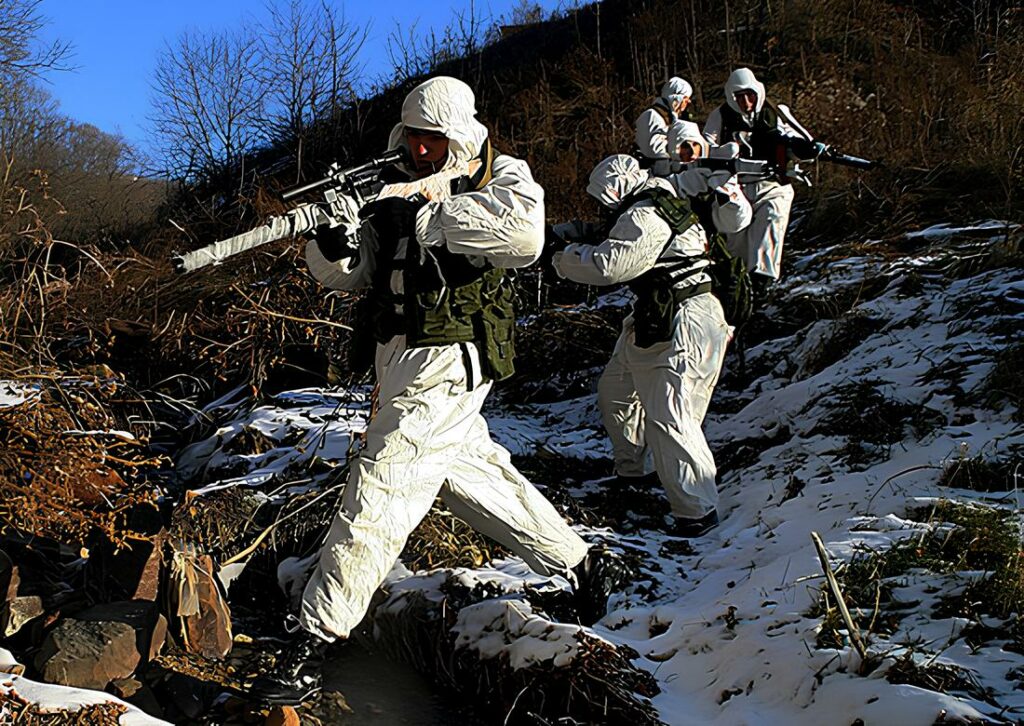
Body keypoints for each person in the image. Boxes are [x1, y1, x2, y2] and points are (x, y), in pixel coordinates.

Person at [248, 76, 625, 705]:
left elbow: (526, 240)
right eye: (414, 138)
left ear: (458, 135)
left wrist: (430, 211)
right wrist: (333, 243)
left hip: (452, 353)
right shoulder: (389, 179)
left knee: (385, 480)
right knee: (470, 475)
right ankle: (581, 563)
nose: (421, 151)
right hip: (397, 350)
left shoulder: (501, 175)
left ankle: (312, 641)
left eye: (433, 140)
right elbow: (357, 276)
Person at [550, 154, 750, 540]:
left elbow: (611, 266)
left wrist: (561, 260)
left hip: (684, 319)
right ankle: (634, 471)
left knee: (671, 415)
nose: (601, 204)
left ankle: (697, 511)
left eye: (602, 196)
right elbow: (604, 236)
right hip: (658, 314)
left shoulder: (645, 215)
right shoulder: (652, 205)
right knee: (617, 393)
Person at [703, 67, 814, 295]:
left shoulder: (774, 113)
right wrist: (728, 156)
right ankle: (737, 286)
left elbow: (797, 139)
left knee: (771, 218)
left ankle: (763, 280)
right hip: (737, 186)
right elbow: (704, 148)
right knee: (737, 240)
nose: (745, 101)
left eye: (749, 95)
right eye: (739, 96)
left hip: (771, 183)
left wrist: (800, 148)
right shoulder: (721, 116)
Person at [635, 77, 694, 176]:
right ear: (676, 98)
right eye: (686, 98)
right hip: (653, 177)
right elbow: (654, 149)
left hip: (668, 175)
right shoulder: (651, 116)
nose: (688, 102)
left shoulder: (670, 117)